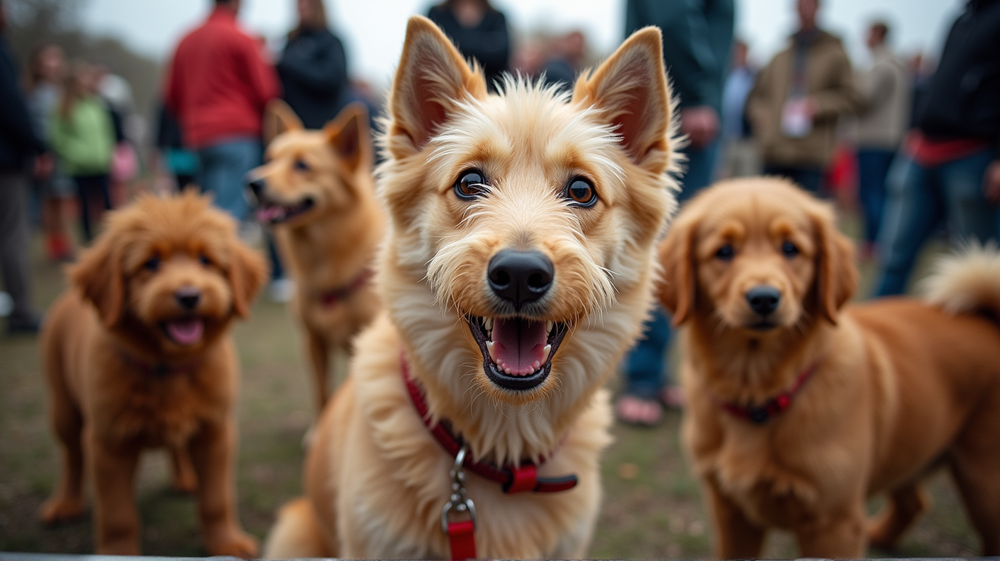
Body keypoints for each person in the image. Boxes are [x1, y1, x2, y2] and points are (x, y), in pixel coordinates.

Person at [619, 0, 734, 425]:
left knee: (675, 248)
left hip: (677, 106)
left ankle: (654, 370)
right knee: (666, 247)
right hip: (685, 109)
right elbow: (669, 16)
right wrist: (700, 94)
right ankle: (643, 375)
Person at [874, 0, 1000, 297]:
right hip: (923, 151)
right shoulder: (961, 19)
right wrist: (917, 128)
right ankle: (873, 329)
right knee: (892, 256)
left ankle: (984, 338)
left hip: (973, 155)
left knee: (977, 267)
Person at [165, 0, 280, 224]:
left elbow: (171, 97)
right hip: (237, 134)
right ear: (236, 4)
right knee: (228, 214)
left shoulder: (185, 40)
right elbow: (267, 92)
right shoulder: (242, 38)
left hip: (197, 138)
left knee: (206, 210)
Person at [746, 0, 862, 194]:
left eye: (809, 4)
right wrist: (761, 116)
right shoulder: (780, 55)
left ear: (819, 8)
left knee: (803, 218)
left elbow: (853, 97)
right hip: (775, 150)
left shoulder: (835, 55)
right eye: (800, 4)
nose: (804, 10)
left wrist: (819, 105)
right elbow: (758, 96)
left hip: (811, 153)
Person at [0, 0, 45, 334]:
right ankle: (21, 313)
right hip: (5, 160)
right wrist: (36, 143)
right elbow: (10, 102)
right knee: (13, 233)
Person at [854, 21, 909, 255]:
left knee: (872, 192)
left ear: (877, 34)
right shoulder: (898, 64)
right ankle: (881, 240)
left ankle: (873, 242)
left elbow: (864, 98)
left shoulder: (882, 65)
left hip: (873, 138)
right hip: (891, 137)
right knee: (883, 192)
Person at [49, 62, 117, 243]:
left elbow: (106, 132)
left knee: (107, 204)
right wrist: (77, 154)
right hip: (79, 166)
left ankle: (113, 237)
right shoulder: (64, 107)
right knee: (84, 205)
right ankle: (88, 240)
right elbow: (58, 138)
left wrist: (107, 152)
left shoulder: (96, 104)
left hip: (100, 162)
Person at [27, 43, 75, 261]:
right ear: (38, 65)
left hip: (64, 156)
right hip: (47, 155)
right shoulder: (36, 95)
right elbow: (37, 127)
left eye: (58, 59)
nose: (55, 64)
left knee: (61, 201)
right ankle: (55, 247)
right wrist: (41, 153)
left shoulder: (63, 93)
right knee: (50, 202)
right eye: (49, 59)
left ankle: (63, 244)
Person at [277, 0, 349, 130]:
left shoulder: (330, 42)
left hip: (321, 126)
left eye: (307, 4)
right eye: (299, 4)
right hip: (291, 125)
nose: (302, 8)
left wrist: (291, 63)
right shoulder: (291, 41)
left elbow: (332, 79)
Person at [427, 0, 510, 90]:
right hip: (444, 91)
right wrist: (487, 43)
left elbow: (501, 56)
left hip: (489, 92)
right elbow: (430, 54)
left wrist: (452, 45)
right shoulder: (437, 14)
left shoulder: (496, 17)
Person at [718, 39, 761, 179]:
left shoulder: (755, 76)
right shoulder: (724, 74)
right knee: (723, 178)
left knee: (746, 178)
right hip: (725, 138)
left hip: (747, 138)